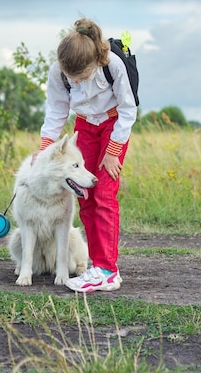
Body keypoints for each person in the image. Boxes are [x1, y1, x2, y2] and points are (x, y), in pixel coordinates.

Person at [37, 18, 137, 292]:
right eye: (70, 77)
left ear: (94, 62)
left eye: (80, 77)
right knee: (86, 195)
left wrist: (113, 152)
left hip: (113, 126)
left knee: (104, 193)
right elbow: (57, 111)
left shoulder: (113, 65)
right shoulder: (59, 71)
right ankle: (96, 265)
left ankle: (108, 270)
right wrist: (45, 150)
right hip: (85, 126)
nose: (74, 81)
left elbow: (129, 110)